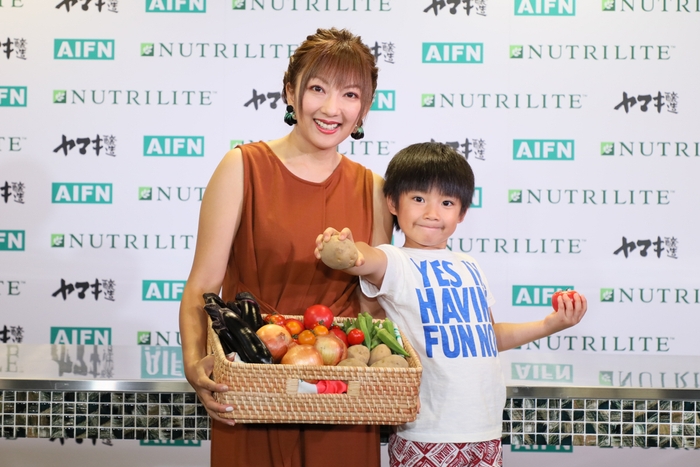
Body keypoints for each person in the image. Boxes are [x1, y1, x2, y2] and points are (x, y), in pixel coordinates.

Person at [179, 28, 392, 467]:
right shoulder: (242, 166)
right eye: (318, 88)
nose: (332, 108)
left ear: (365, 108)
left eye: (350, 94)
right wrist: (194, 362)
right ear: (290, 92)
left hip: (341, 394)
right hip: (253, 380)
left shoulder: (374, 187)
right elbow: (203, 283)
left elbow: (376, 307)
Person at [314, 142, 588, 467]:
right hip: (426, 434)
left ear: (462, 213)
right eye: (418, 199)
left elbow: (489, 335)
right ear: (392, 202)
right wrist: (347, 251)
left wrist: (551, 324)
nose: (432, 213)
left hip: (485, 431)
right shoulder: (396, 261)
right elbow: (365, 257)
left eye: (446, 202)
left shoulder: (469, 265)